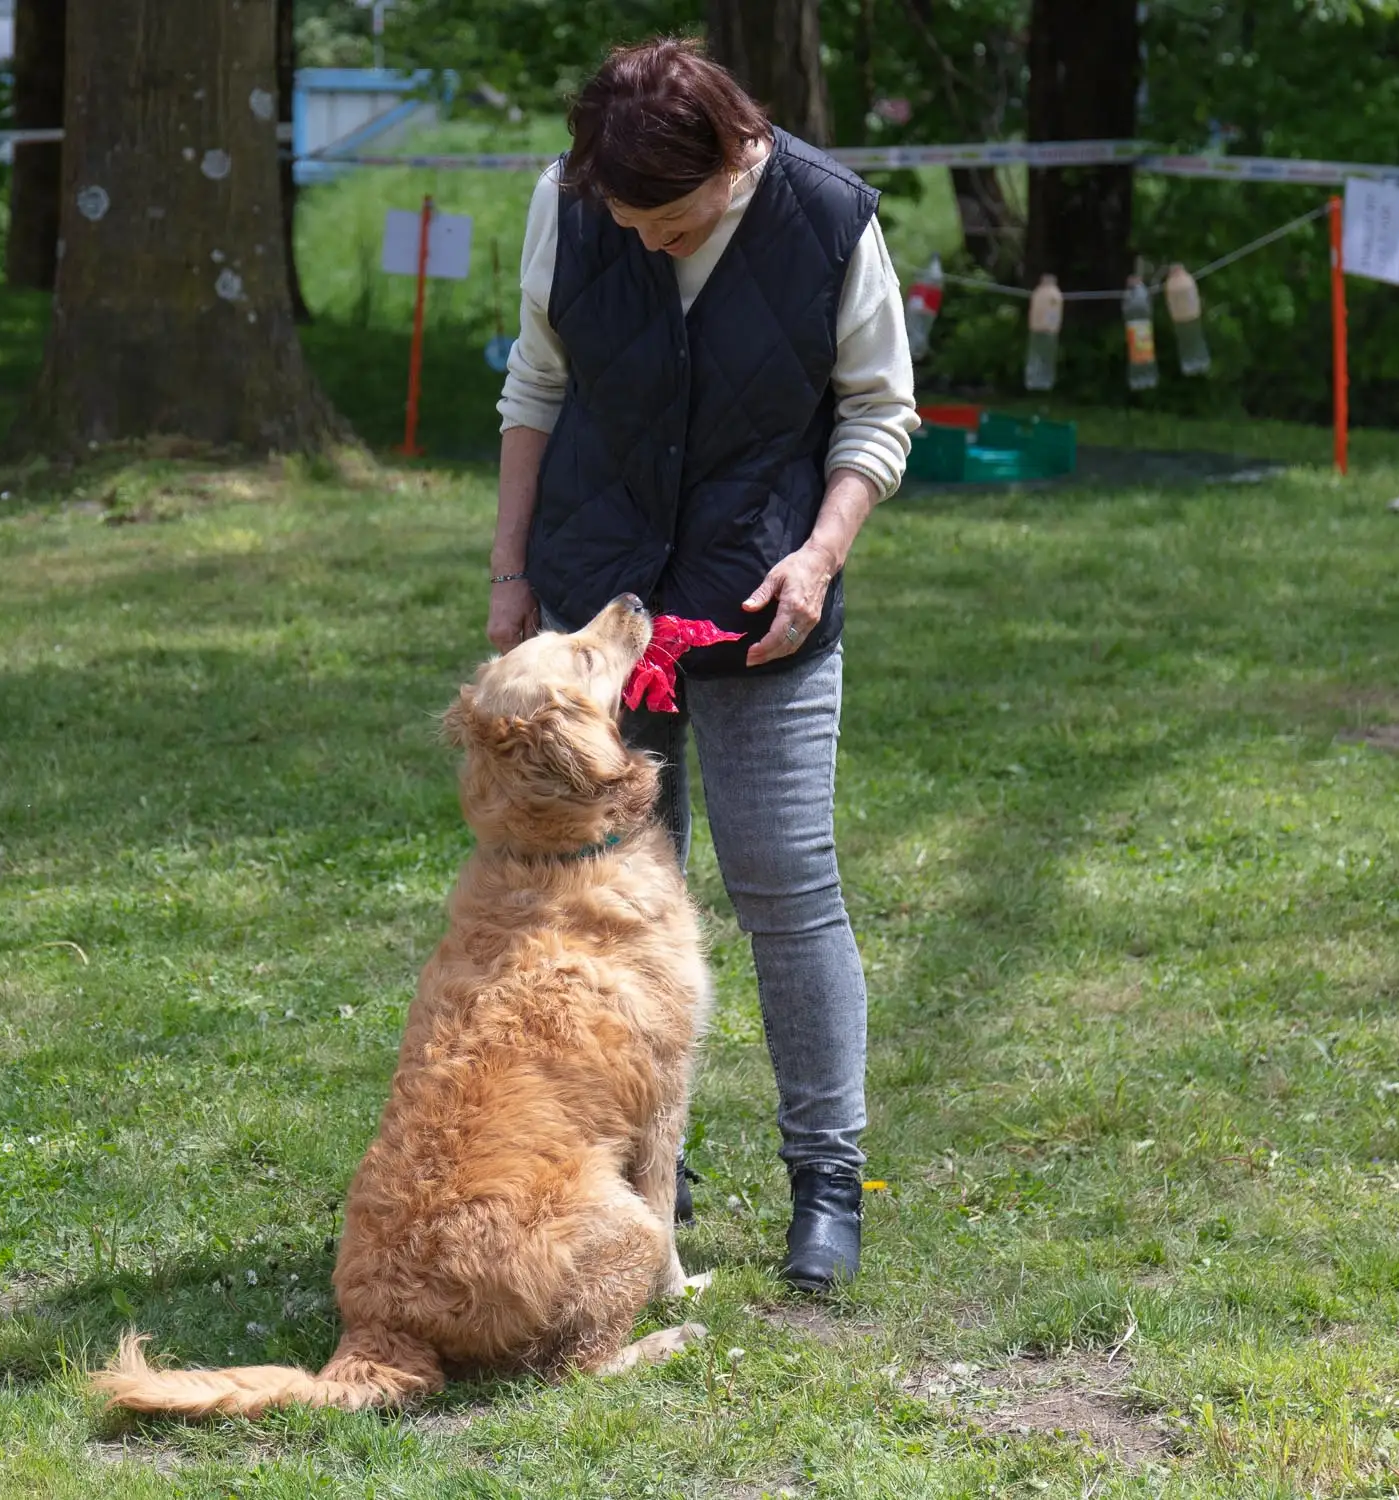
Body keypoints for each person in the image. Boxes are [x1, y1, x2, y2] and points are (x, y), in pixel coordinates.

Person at [487, 37, 918, 1292]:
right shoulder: (569, 206)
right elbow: (537, 385)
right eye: (630, 223)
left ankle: (826, 1181)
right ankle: (637, 1175)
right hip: (598, 606)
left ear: (736, 159)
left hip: (761, 598)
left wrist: (819, 559)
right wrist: (511, 573)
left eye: (670, 222)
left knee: (785, 880)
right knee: (598, 894)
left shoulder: (830, 219)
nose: (648, 241)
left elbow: (878, 412)